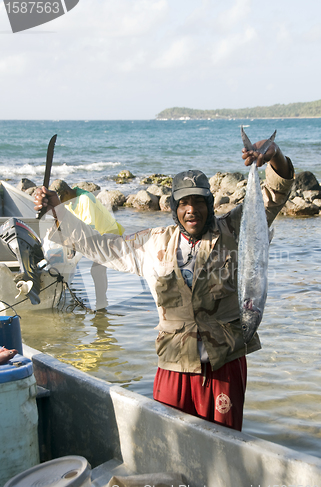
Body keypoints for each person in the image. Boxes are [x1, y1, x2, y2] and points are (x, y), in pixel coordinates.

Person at [34, 137, 294, 431]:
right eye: (184, 203)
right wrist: (58, 210)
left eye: (199, 201)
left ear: (210, 203)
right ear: (174, 207)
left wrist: (275, 156)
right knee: (170, 448)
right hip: (173, 365)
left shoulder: (234, 229)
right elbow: (100, 246)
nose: (191, 210)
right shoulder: (153, 242)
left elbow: (275, 193)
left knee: (226, 450)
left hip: (225, 365)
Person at [49, 180, 124, 310]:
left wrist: (72, 245)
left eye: (60, 200)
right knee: (95, 269)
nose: (60, 204)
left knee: (97, 270)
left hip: (108, 235)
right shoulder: (69, 201)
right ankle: (101, 302)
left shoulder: (85, 199)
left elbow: (88, 229)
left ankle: (101, 304)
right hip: (96, 236)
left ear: (67, 192)